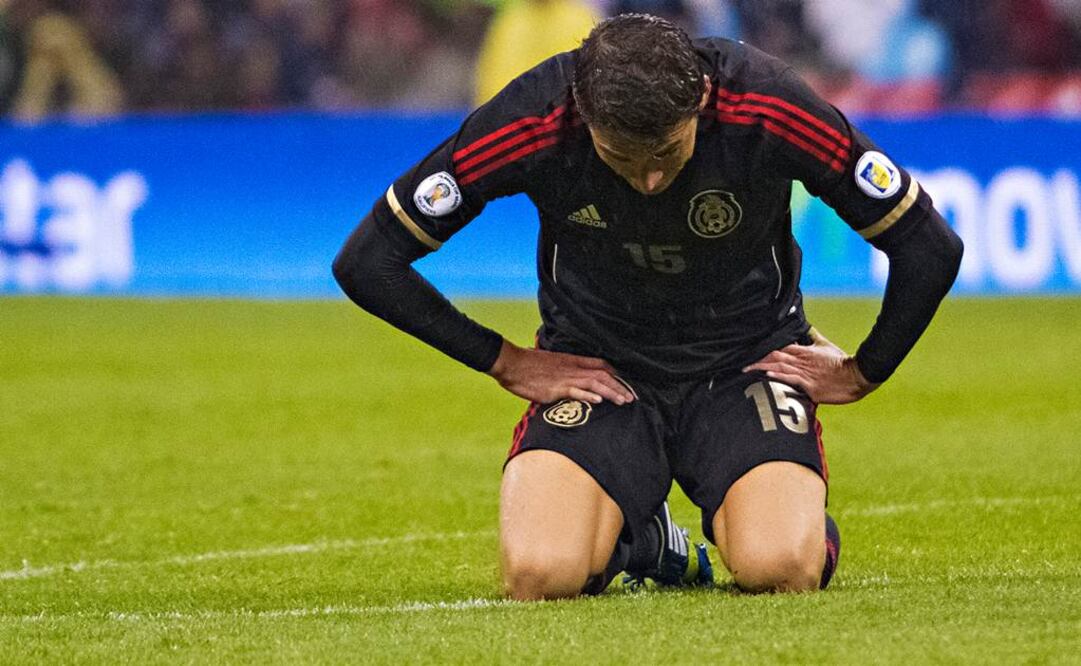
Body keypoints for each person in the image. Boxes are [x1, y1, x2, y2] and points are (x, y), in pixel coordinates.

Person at [333, 13, 963, 600]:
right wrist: (504, 361)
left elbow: (928, 245)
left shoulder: (768, 104)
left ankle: (773, 512)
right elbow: (367, 261)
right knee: (537, 575)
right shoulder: (533, 117)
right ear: (583, 116)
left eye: (666, 152)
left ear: (702, 103)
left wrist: (863, 370)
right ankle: (647, 541)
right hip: (600, 370)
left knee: (780, 567)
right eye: (621, 157)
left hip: (746, 364)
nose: (650, 179)